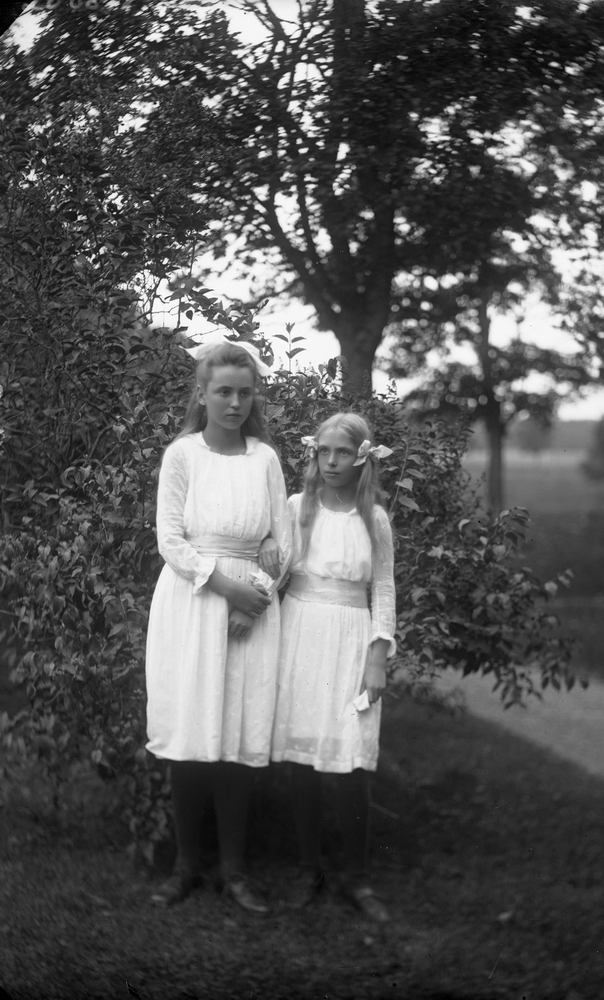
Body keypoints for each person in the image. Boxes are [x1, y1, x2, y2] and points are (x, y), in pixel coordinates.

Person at [145, 336, 292, 913]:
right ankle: (186, 867)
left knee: (236, 736)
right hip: (194, 600)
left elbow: (284, 540)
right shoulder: (182, 455)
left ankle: (234, 871)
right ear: (202, 394)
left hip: (250, 608)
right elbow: (170, 539)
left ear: (254, 398)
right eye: (224, 392)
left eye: (244, 393)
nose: (234, 403)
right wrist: (225, 588)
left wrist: (255, 597)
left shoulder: (265, 459)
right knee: (192, 737)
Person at [271, 413, 396, 923]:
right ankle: (310, 870)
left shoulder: (374, 518)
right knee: (302, 759)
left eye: (343, 452)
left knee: (353, 760)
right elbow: (274, 568)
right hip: (300, 632)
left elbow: (382, 586)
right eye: (323, 451)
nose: (331, 462)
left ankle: (357, 878)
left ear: (362, 458)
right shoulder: (297, 507)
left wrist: (378, 656)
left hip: (351, 638)